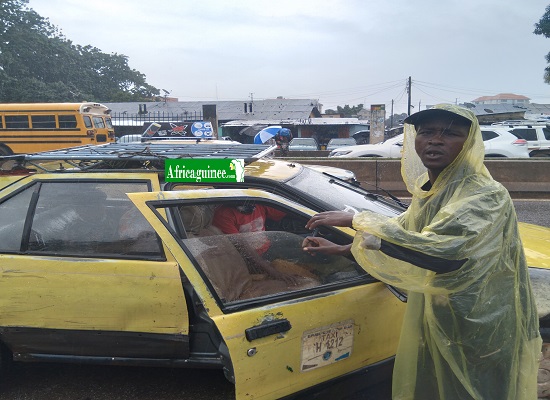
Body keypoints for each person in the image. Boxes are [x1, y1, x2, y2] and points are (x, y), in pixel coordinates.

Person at [302, 104, 541, 399]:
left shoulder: (484, 194)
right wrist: (342, 249)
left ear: (469, 144)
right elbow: (404, 234)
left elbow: (445, 253)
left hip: (482, 328)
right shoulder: (433, 191)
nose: (435, 140)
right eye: (426, 132)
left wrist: (355, 219)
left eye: (450, 133)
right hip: (443, 321)